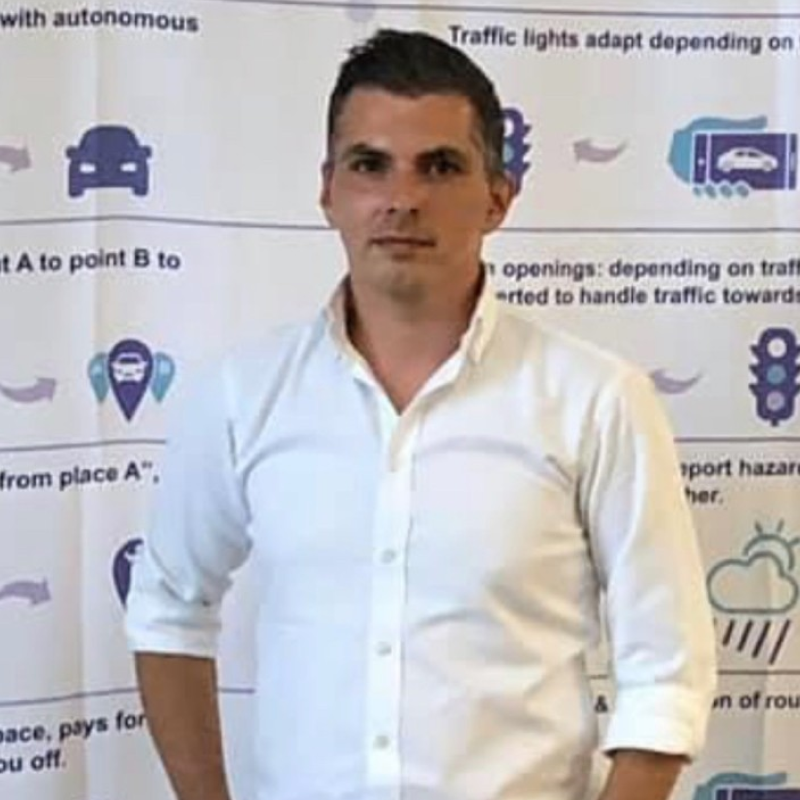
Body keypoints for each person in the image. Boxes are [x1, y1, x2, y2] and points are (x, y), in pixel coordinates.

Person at [126, 28, 717, 800]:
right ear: (328, 191)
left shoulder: (596, 401)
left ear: (498, 198)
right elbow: (169, 606)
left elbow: (666, 674)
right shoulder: (243, 395)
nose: (402, 197)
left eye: (440, 166)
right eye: (369, 164)